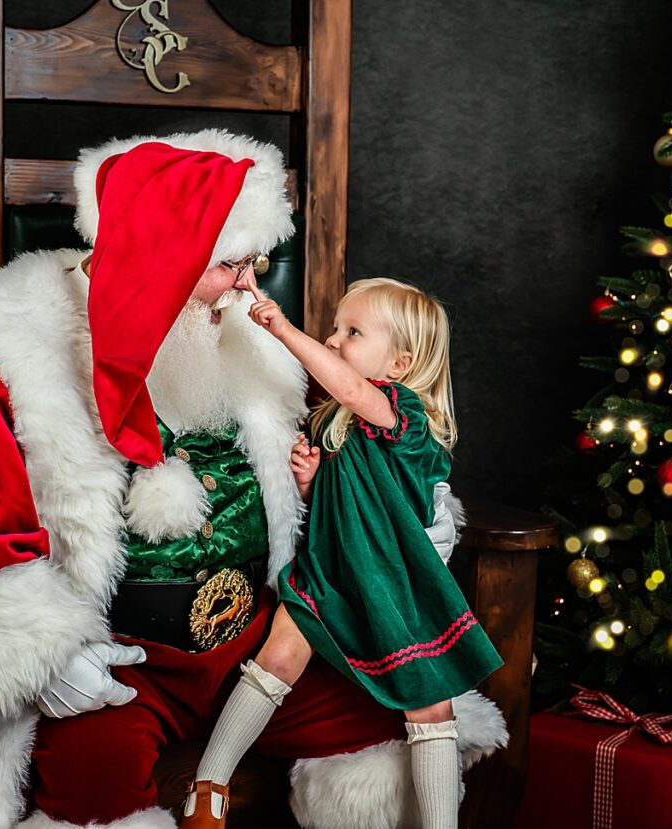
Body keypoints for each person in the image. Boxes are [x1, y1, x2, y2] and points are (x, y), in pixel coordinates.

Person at [0, 130, 506, 829]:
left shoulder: (243, 335)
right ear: (163, 258)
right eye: (231, 264)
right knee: (93, 791)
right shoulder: (10, 349)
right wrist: (37, 658)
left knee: (410, 709)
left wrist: (413, 508)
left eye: (252, 261)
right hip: (118, 665)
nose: (250, 282)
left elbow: (355, 439)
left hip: (268, 639)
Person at [181, 277, 503, 829]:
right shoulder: (338, 421)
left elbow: (355, 392)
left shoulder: (403, 417)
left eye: (352, 331)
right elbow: (350, 496)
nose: (332, 340)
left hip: (389, 587)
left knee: (430, 706)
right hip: (328, 578)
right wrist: (312, 483)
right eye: (334, 328)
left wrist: (281, 328)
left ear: (399, 365)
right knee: (276, 657)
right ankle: (209, 787)